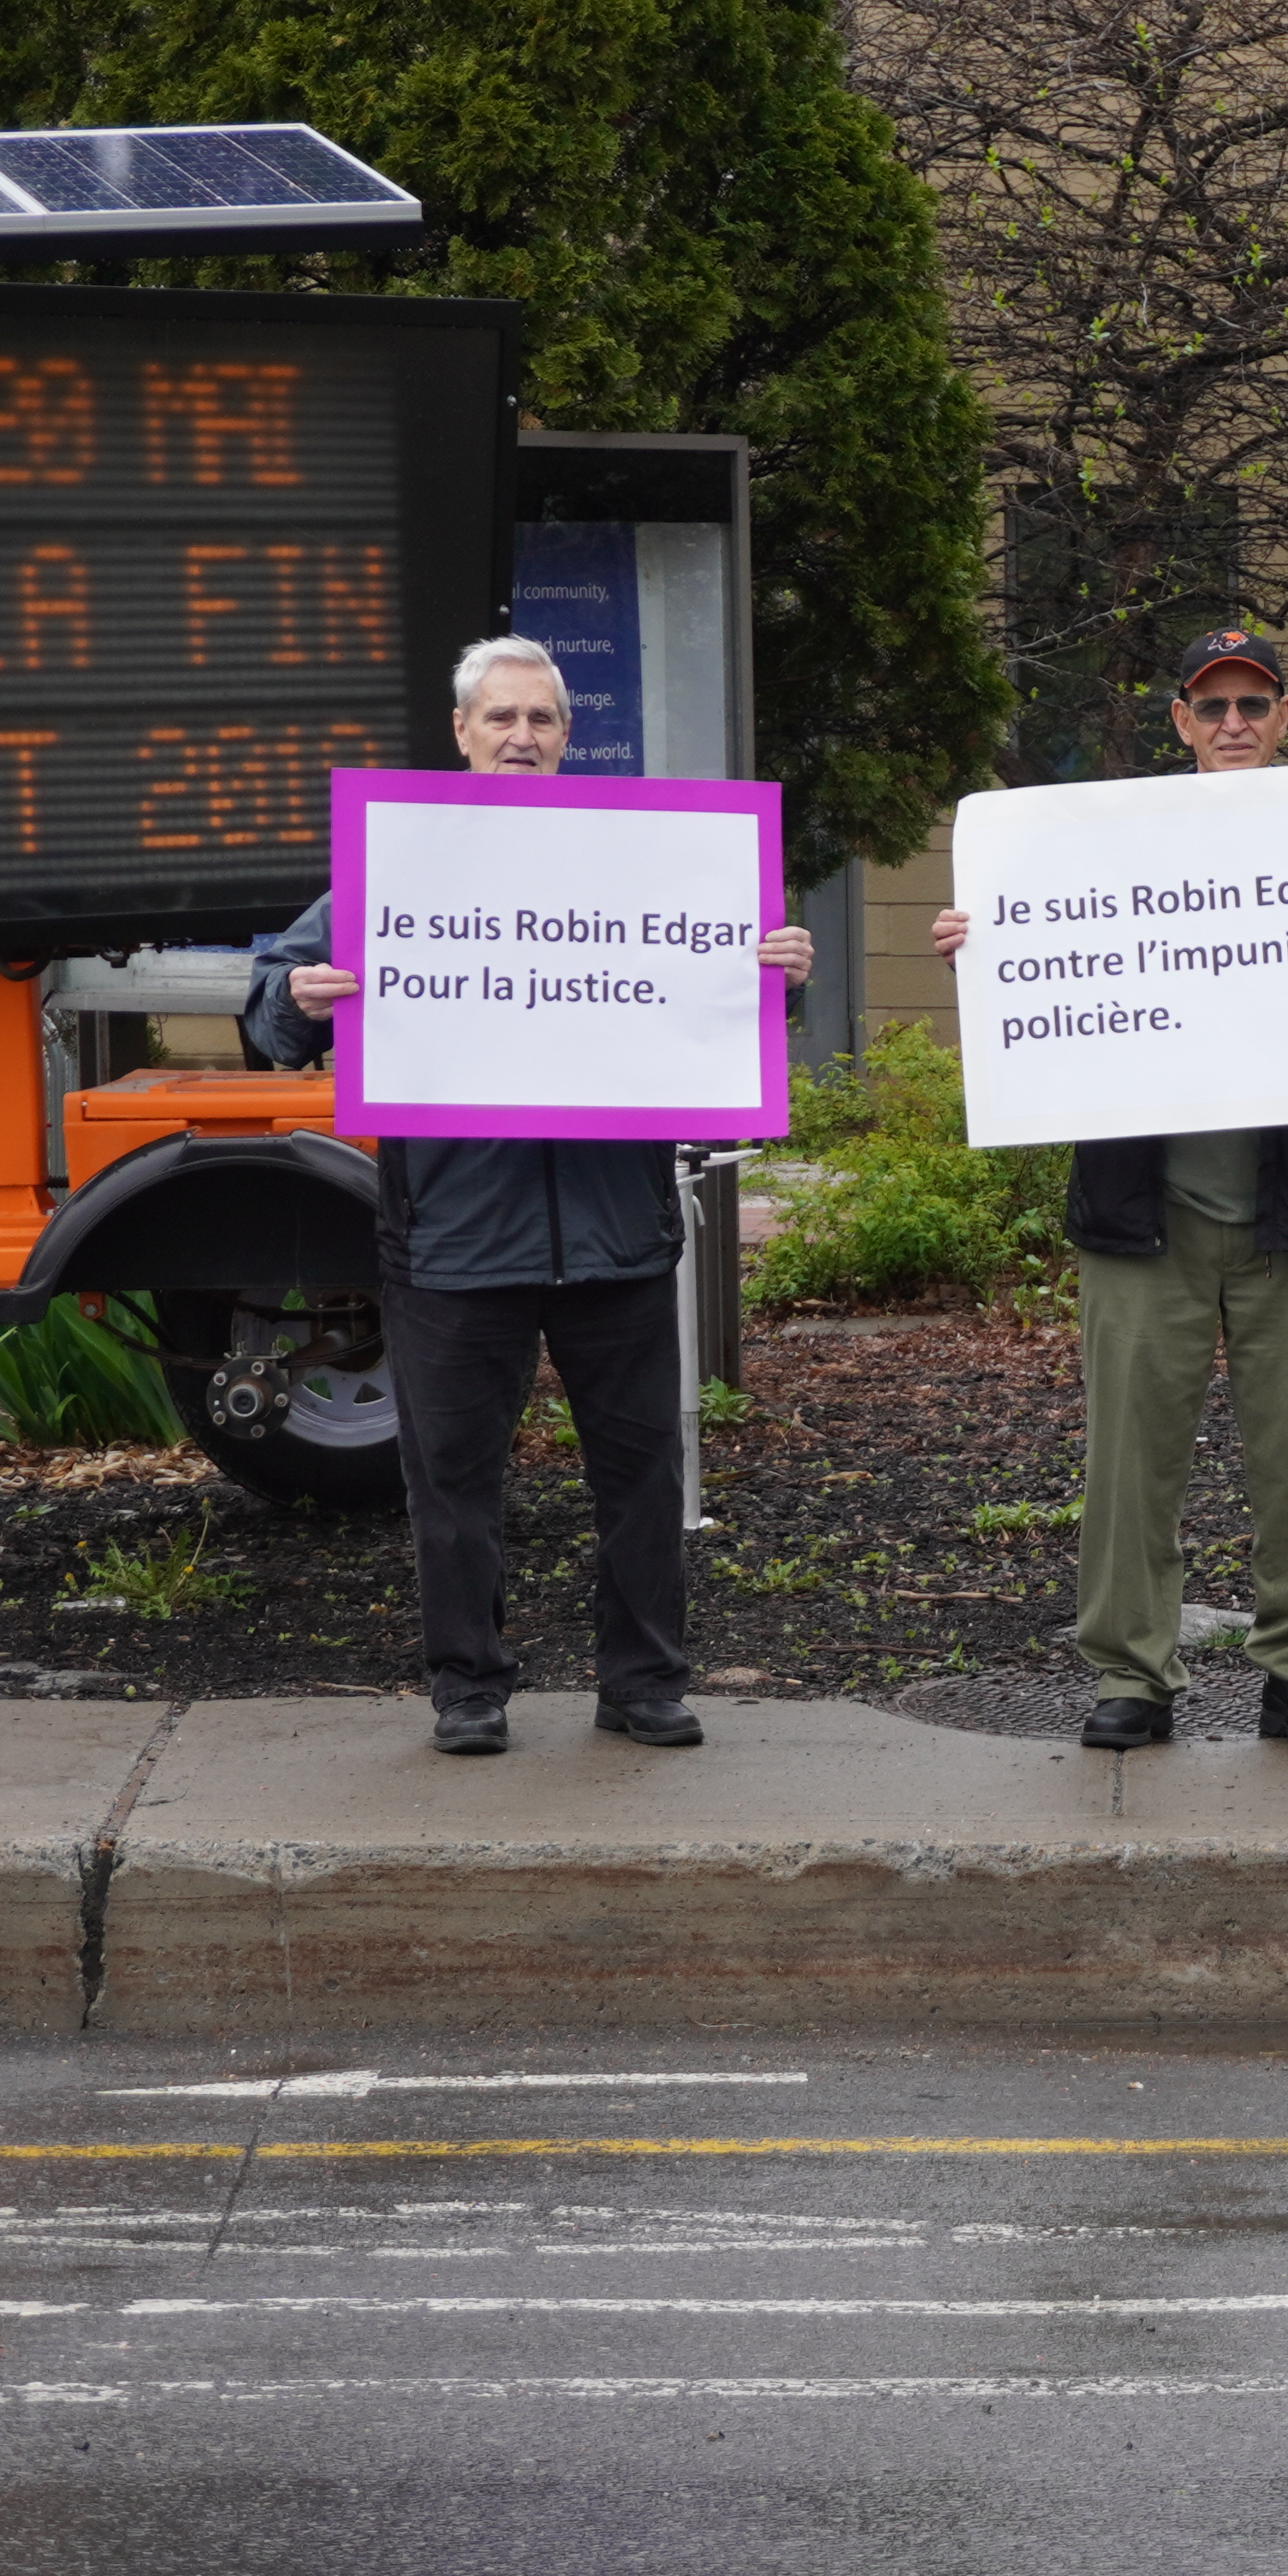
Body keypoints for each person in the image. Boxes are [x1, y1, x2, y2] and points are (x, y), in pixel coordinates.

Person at [248, 635, 817, 1758]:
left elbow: (713, 1001)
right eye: (501, 718)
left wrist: (777, 980)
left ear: (568, 736)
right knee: (453, 1482)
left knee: (642, 1475)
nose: (522, 737)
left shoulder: (640, 859)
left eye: (542, 720)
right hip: (455, 1239)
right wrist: (301, 999)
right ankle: (469, 1687)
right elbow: (269, 1008)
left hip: (616, 1233)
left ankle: (644, 1682)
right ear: (461, 734)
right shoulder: (397, 860)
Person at [929, 627, 1288, 1754]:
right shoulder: (1107, 847)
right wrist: (986, 946)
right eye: (1211, 707)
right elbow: (1045, 978)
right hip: (1144, 1213)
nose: (1232, 725)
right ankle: (1131, 1676)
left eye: (1252, 707)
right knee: (1128, 1460)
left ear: (1281, 721)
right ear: (1179, 720)